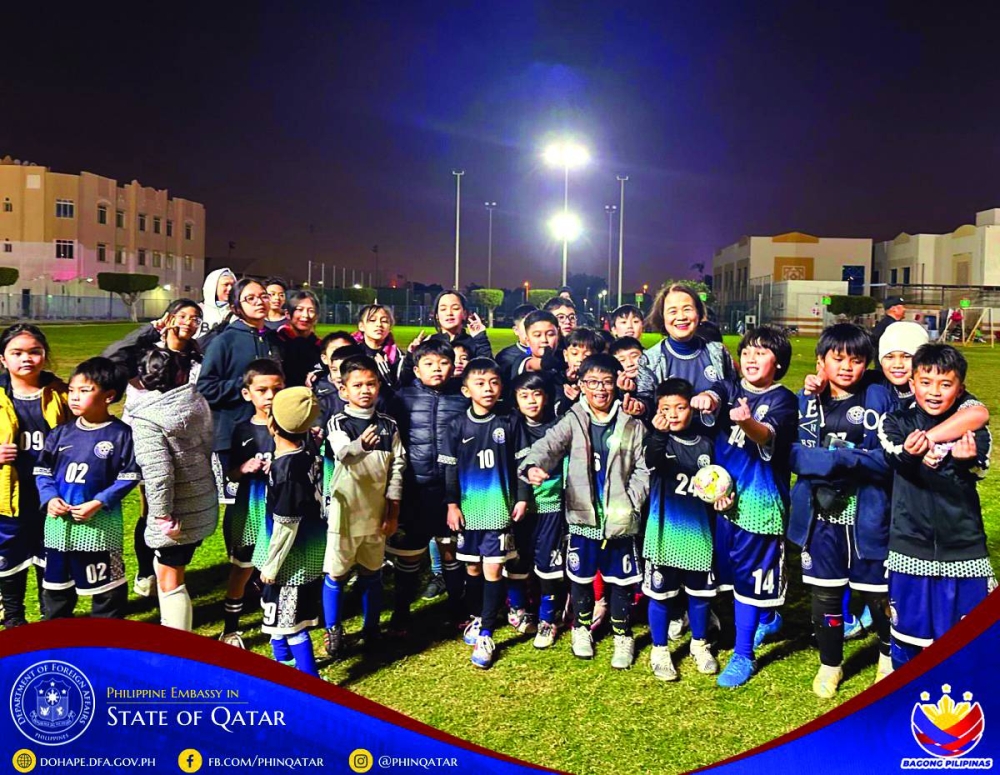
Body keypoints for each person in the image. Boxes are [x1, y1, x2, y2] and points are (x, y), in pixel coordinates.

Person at [520, 354, 650, 669]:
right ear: (581, 386)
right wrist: (534, 465)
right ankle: (581, 628)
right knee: (581, 578)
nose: (600, 389)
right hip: (583, 518)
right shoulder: (574, 418)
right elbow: (549, 445)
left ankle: (622, 634)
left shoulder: (632, 424)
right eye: (592, 382)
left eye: (606, 382)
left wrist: (630, 503)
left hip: (620, 520)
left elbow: (643, 470)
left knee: (620, 582)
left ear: (617, 384)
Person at [789, 323, 895, 697]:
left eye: (856, 359)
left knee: (878, 594)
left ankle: (887, 656)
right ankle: (830, 664)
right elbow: (797, 456)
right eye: (838, 358)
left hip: (868, 516)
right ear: (821, 362)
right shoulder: (807, 399)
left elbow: (885, 461)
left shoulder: (878, 396)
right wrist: (852, 458)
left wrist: (837, 459)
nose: (847, 366)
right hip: (821, 519)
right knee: (826, 597)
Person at [878, 344, 994, 669]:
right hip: (909, 544)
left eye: (945, 384)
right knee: (907, 640)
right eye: (926, 382)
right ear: (912, 384)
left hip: (964, 547)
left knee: (967, 641)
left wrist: (963, 461)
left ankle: (965, 707)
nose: (934, 391)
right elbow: (894, 456)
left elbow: (980, 469)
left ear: (960, 389)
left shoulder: (973, 430)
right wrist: (915, 451)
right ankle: (907, 703)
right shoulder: (895, 420)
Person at [711, 325, 798, 687]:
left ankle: (743, 654)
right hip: (722, 502)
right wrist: (709, 400)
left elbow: (768, 435)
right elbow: (715, 393)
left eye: (761, 352)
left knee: (750, 580)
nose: (751, 357)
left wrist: (747, 421)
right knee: (730, 574)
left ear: (778, 364)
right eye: (747, 351)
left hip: (759, 506)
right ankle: (768, 616)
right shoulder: (730, 388)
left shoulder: (783, 400)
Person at [103, 297, 204, 598]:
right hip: (147, 438)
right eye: (182, 315)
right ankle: (147, 570)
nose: (189, 321)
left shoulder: (198, 357)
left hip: (183, 442)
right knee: (154, 508)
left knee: (180, 508)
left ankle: (169, 567)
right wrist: (150, 329)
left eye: (195, 317)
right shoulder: (145, 353)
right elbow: (109, 358)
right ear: (169, 318)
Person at [36, 358, 139, 619]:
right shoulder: (60, 433)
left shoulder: (122, 435)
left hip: (100, 528)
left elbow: (129, 475)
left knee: (107, 592)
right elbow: (42, 470)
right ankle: (56, 644)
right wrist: (49, 498)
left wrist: (99, 502)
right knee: (56, 591)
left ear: (109, 396)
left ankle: (105, 645)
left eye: (84, 390)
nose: (74, 397)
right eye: (71, 390)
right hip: (59, 528)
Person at [442, 358, 525, 668]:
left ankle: (487, 632)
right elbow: (449, 470)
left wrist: (522, 498)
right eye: (480, 383)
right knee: (473, 570)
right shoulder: (456, 426)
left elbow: (521, 465)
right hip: (468, 512)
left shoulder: (509, 421)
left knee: (492, 570)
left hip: (498, 510)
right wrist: (452, 504)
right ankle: (478, 617)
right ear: (466, 390)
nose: (488, 388)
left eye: (493, 382)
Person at [321, 354, 405, 658]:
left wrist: (392, 511)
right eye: (357, 385)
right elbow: (342, 453)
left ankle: (372, 628)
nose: (365, 390)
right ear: (344, 390)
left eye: (371, 383)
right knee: (336, 574)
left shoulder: (388, 425)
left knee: (372, 573)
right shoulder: (337, 422)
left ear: (379, 385)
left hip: (376, 514)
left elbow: (397, 467)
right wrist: (360, 446)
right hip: (344, 516)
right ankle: (333, 630)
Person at [130, 349, 217, 631]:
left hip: (175, 513)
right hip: (202, 501)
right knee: (166, 571)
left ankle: (178, 648)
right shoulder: (197, 402)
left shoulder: (147, 420)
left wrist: (161, 516)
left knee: (170, 582)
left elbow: (158, 475)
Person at [385, 339, 469, 632]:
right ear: (417, 369)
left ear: (453, 365)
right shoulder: (402, 398)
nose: (437, 369)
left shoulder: (462, 397)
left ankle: (458, 609)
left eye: (443, 363)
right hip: (414, 490)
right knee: (409, 555)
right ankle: (401, 612)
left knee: (451, 550)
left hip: (450, 490)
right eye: (429, 364)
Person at [643, 378, 724, 680]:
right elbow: (651, 460)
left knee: (701, 595)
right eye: (666, 408)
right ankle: (660, 648)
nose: (673, 414)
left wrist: (723, 494)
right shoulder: (657, 441)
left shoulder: (706, 443)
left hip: (700, 534)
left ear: (691, 407)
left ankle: (699, 644)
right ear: (657, 410)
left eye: (680, 407)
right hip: (664, 533)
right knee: (661, 594)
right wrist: (658, 434)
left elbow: (718, 479)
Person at [0, 324, 71, 628]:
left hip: (52, 494)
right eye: (17, 353)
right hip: (9, 495)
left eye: (34, 352)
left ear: (44, 355)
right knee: (9, 559)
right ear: (3, 359)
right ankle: (14, 619)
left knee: (51, 555)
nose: (26, 359)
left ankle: (50, 619)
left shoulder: (63, 393)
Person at [254, 387, 326, 676]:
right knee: (274, 614)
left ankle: (309, 680)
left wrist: (272, 565)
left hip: (290, 561)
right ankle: (283, 664)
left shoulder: (286, 471)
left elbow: (286, 523)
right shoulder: (307, 456)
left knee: (290, 621)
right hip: (304, 552)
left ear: (272, 424)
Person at [196, 278, 283, 504]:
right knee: (240, 505)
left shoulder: (273, 339)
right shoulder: (224, 340)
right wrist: (247, 386)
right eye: (250, 298)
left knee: (271, 498)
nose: (259, 302)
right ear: (236, 306)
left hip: (270, 432)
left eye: (263, 296)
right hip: (234, 435)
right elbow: (205, 388)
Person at [218, 359, 283, 648]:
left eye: (276, 389)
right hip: (250, 508)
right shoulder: (241, 429)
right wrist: (243, 468)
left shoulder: (294, 426)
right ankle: (230, 629)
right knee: (242, 567)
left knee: (278, 565)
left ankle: (277, 623)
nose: (270, 396)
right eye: (262, 390)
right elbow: (230, 472)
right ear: (248, 394)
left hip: (282, 507)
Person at [510, 371, 566, 648]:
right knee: (517, 559)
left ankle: (548, 619)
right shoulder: (511, 426)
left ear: (546, 397)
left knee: (547, 565)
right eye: (524, 395)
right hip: (518, 508)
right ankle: (518, 608)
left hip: (551, 506)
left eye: (537, 394)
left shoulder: (558, 427)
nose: (531, 401)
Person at [638, 284, 737, 416]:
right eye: (672, 311)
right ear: (663, 317)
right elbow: (646, 401)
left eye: (687, 309)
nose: (681, 317)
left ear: (699, 313)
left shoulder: (717, 351)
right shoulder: (650, 359)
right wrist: (639, 406)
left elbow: (734, 389)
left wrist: (713, 396)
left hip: (716, 435)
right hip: (669, 436)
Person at [430, 290, 492, 359]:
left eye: (455, 308)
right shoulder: (429, 343)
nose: (449, 313)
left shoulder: (475, 344)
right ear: (436, 316)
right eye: (443, 309)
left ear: (465, 314)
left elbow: (487, 367)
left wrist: (481, 339)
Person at [353, 304, 401, 392]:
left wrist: (387, 375)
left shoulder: (398, 357)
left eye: (385, 321)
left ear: (390, 327)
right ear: (361, 326)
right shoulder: (351, 352)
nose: (379, 324)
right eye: (372, 320)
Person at [279, 290, 322, 388]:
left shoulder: (319, 346)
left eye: (311, 311)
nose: (305, 315)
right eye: (300, 309)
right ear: (287, 314)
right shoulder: (277, 340)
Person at [494, 304, 536, 386]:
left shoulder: (550, 352)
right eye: (526, 327)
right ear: (516, 330)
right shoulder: (505, 356)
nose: (532, 331)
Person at [197, 268, 236, 338]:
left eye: (233, 285)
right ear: (213, 287)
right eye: (226, 284)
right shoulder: (198, 311)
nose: (230, 288)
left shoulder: (239, 312)